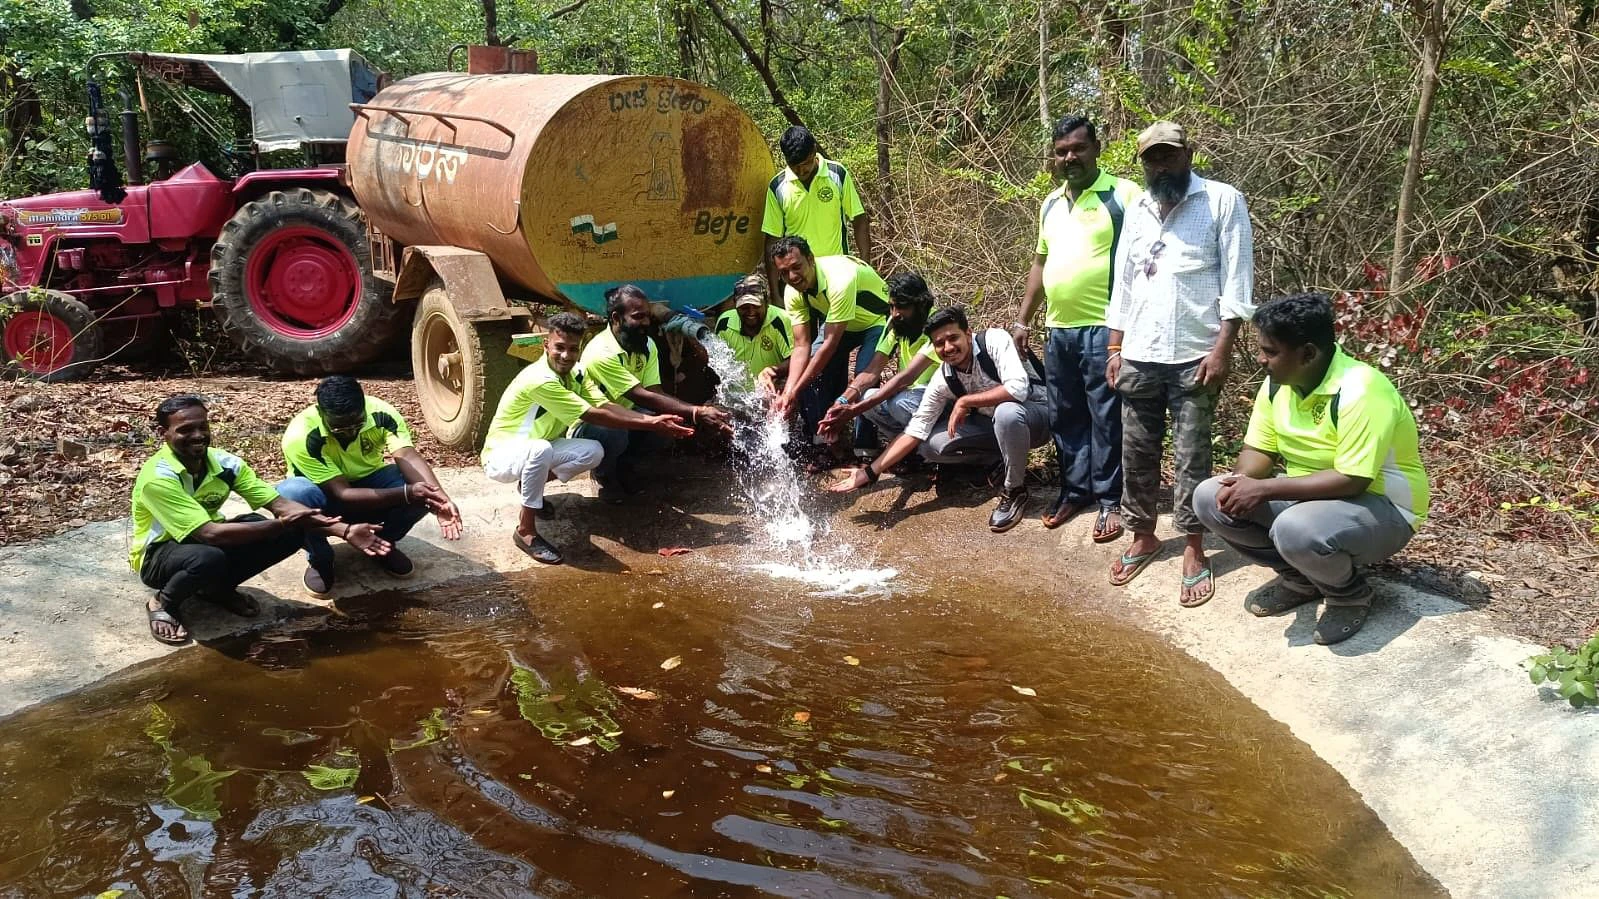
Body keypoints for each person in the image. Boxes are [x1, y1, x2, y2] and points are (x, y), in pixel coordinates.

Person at [1194, 293, 1429, 645]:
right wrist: (1240, 482)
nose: (1261, 360)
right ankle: (1301, 579)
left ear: (1307, 354)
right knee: (1209, 497)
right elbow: (1259, 450)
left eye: (1270, 352)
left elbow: (1353, 479)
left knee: (1296, 529)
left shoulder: (1362, 390)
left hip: (1385, 508)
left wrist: (1265, 490)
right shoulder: (1278, 385)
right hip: (1311, 497)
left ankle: (1348, 595)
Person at [1105, 120, 1254, 607]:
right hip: (1139, 354)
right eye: (1152, 157)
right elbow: (1124, 283)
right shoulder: (1137, 208)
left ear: (1189, 154)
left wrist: (1223, 348)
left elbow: (1237, 281)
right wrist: (1114, 347)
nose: (1161, 164)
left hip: (1195, 354)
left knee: (1193, 457)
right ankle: (1143, 536)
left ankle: (1193, 547)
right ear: (1142, 163)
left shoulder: (1222, 201)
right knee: (1136, 452)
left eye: (1169, 155)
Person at [131, 394, 390, 645]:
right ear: (162, 433)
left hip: (203, 542)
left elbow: (281, 505)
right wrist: (280, 524)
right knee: (209, 557)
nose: (198, 435)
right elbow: (210, 534)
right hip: (160, 555)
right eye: (186, 430)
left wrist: (344, 531)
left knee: (288, 533)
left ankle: (216, 589)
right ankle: (163, 602)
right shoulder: (159, 479)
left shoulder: (224, 463)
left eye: (203, 426)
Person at [1010, 115, 1142, 538]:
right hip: (1059, 329)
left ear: (1096, 148)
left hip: (1106, 328)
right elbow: (1040, 262)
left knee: (1106, 415)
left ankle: (1109, 500)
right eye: (1062, 150)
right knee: (1065, 414)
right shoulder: (1050, 203)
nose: (1070, 157)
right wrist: (1023, 318)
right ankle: (1075, 490)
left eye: (1078, 148)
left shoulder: (1123, 195)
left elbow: (1143, 262)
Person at [484, 312, 696, 565]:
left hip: (538, 448)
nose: (565, 356)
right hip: (501, 456)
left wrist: (655, 419)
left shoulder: (577, 374)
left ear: (580, 348)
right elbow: (592, 415)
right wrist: (651, 423)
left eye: (572, 349)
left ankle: (532, 486)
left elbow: (604, 404)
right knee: (539, 450)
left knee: (593, 451)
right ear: (546, 345)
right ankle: (525, 531)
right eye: (559, 348)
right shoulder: (539, 379)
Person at [829, 306, 1050, 532]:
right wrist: (869, 472)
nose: (948, 348)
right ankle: (996, 462)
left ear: (968, 334)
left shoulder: (993, 340)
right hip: (993, 426)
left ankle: (1014, 490)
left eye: (953, 338)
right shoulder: (945, 376)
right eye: (939, 343)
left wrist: (965, 402)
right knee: (932, 446)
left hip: (1036, 416)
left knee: (1007, 412)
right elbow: (916, 429)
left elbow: (1018, 389)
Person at [277, 376, 463, 597]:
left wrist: (441, 500)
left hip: (370, 485)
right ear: (320, 412)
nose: (350, 432)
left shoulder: (382, 413)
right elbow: (342, 493)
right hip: (323, 498)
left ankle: (381, 545)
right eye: (339, 428)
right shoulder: (301, 436)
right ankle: (321, 559)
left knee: (424, 490)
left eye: (357, 423)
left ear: (364, 404)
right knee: (292, 494)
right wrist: (407, 493)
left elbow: (406, 455)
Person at [574, 284, 731, 499]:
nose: (646, 323)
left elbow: (654, 391)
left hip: (627, 413)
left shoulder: (646, 345)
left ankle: (625, 467)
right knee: (615, 433)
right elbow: (639, 394)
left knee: (671, 420)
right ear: (616, 318)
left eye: (647, 316)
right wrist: (697, 411)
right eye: (638, 317)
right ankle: (604, 475)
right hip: (593, 422)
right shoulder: (601, 352)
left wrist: (689, 414)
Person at [768, 236, 890, 455]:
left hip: (876, 323)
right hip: (841, 324)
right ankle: (824, 442)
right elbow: (801, 345)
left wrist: (796, 390)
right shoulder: (792, 291)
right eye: (784, 272)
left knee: (864, 381)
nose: (792, 276)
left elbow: (830, 344)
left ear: (810, 259)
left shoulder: (839, 278)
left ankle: (866, 448)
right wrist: (788, 392)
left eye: (797, 267)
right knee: (809, 374)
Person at [820, 271, 940, 448]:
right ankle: (910, 450)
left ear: (921, 305)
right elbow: (871, 372)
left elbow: (906, 378)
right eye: (892, 306)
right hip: (909, 397)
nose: (895, 313)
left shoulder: (937, 325)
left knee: (899, 403)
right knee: (865, 396)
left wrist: (853, 411)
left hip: (936, 398)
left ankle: (919, 447)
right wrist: (842, 401)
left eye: (902, 307)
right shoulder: (895, 324)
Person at [762, 125, 871, 293]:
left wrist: (865, 268)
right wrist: (775, 294)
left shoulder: (837, 174)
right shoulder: (777, 187)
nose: (801, 170)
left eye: (805, 163)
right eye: (794, 166)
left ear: (814, 151)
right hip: (797, 280)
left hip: (838, 276)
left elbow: (859, 219)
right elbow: (772, 241)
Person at [713, 273, 794, 395]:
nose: (751, 312)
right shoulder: (724, 323)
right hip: (738, 397)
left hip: (773, 392)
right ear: (735, 304)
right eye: (744, 307)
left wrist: (772, 372)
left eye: (756, 306)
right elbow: (716, 364)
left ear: (766, 301)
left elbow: (795, 361)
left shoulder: (781, 320)